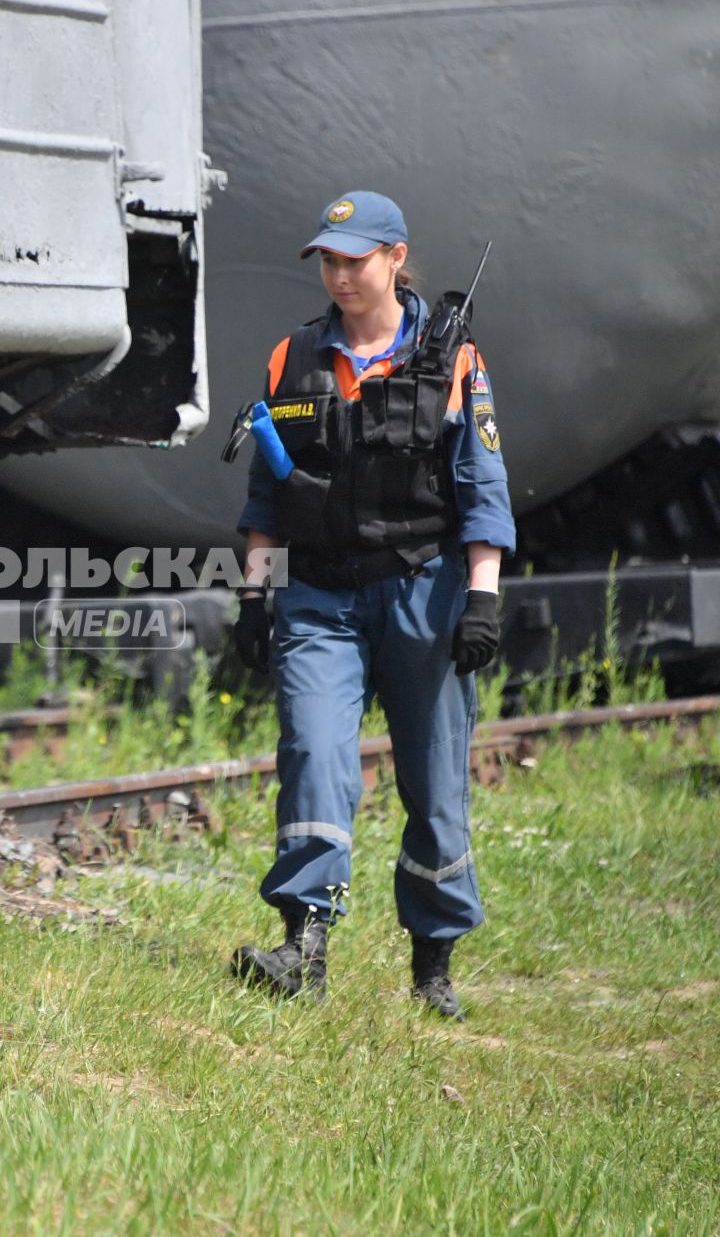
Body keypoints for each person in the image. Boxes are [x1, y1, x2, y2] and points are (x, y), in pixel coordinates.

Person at [228, 191, 514, 1019]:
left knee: (433, 783)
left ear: (396, 257)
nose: (340, 274)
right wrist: (257, 598)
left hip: (423, 591)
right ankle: (303, 949)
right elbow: (265, 500)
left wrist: (482, 601)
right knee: (314, 753)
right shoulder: (293, 359)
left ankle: (434, 966)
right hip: (319, 595)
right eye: (329, 259)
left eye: (356, 259)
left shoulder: (452, 358)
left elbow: (482, 488)